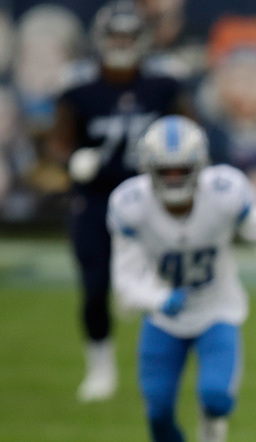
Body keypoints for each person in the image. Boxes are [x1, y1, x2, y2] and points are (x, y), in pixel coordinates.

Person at [108, 115, 256, 442]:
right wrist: (157, 299)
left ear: (200, 166)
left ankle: (213, 416)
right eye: (167, 170)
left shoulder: (224, 191)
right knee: (158, 410)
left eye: (183, 168)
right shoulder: (130, 204)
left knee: (216, 398)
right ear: (150, 169)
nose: (176, 177)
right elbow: (124, 279)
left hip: (218, 308)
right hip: (164, 317)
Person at [48, 0, 186, 402]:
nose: (122, 43)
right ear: (101, 40)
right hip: (95, 201)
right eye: (116, 36)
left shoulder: (163, 87)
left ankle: (165, 366)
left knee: (167, 284)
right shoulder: (80, 91)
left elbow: (190, 131)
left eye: (129, 36)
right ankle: (101, 368)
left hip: (150, 200)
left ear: (143, 40)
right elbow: (58, 142)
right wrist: (72, 158)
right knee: (94, 288)